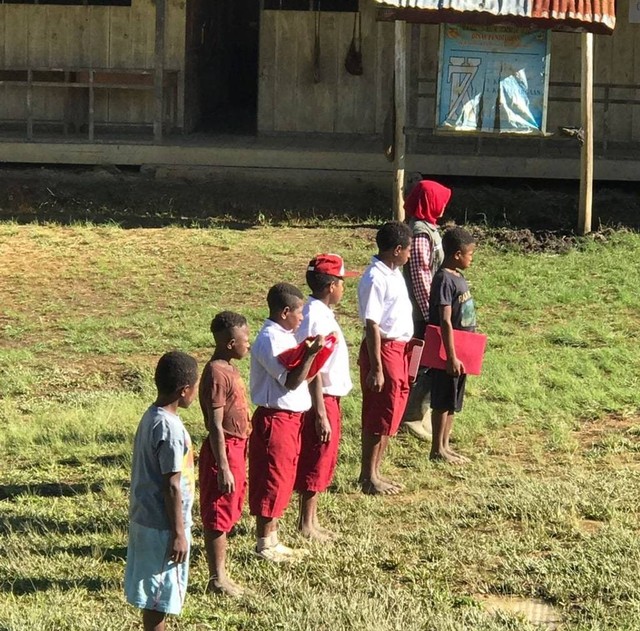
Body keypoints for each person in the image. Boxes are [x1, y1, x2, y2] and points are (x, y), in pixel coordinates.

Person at [249, 282, 325, 562]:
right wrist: (310, 354)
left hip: (292, 418)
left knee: (283, 477)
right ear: (284, 312)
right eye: (299, 312)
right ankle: (264, 543)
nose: (302, 318)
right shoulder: (269, 338)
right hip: (275, 417)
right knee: (272, 477)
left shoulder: (285, 335)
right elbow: (291, 381)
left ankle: (273, 538)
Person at [124, 351, 199, 631]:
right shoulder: (170, 429)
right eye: (194, 386)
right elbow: (171, 485)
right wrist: (179, 534)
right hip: (163, 526)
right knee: (158, 601)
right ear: (184, 390)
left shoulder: (152, 416)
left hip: (148, 518)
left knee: (155, 600)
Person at [294, 254, 356, 540]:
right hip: (321, 397)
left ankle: (313, 518)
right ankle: (306, 522)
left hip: (330, 396)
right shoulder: (314, 316)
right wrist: (319, 412)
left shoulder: (320, 312)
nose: (344, 287)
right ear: (332, 285)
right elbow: (313, 368)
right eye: (342, 282)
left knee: (325, 455)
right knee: (317, 454)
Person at [357, 221, 414, 495]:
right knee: (379, 410)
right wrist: (377, 366)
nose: (409, 256)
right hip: (383, 349)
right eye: (408, 250)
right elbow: (372, 324)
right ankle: (367, 475)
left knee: (392, 410)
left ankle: (376, 471)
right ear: (397, 250)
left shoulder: (394, 272)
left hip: (399, 349)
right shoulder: (374, 277)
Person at [198, 311, 251, 597]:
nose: (249, 344)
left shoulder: (229, 367)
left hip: (236, 447)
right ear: (230, 343)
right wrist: (224, 466)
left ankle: (222, 573)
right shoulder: (217, 372)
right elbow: (216, 425)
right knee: (218, 512)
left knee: (230, 508)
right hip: (224, 450)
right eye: (245, 340)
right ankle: (217, 578)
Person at [401, 179, 452, 440]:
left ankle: (415, 415)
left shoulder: (427, 227)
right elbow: (421, 275)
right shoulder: (421, 232)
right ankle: (411, 417)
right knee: (421, 364)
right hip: (421, 311)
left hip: (427, 307)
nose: (444, 207)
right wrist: (430, 311)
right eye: (440, 201)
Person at [428, 226, 477, 464]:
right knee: (443, 400)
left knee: (454, 401)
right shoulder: (444, 279)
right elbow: (445, 320)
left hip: (463, 349)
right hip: (449, 351)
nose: (472, 259)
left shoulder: (457, 276)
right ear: (457, 254)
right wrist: (451, 356)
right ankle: (437, 448)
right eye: (470, 254)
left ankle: (446, 446)